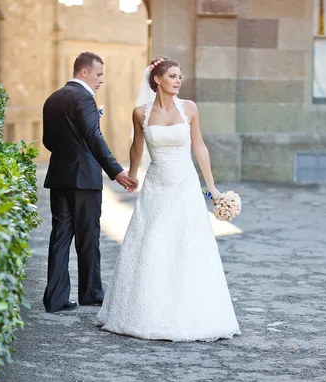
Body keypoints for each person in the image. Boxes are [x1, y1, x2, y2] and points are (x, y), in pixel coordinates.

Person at [95, 57, 241, 341]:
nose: (178, 80)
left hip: (185, 186)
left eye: (179, 76)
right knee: (153, 243)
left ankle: (193, 313)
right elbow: (137, 146)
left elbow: (199, 147)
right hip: (156, 187)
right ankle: (147, 312)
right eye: (172, 76)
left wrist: (212, 189)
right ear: (157, 79)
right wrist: (132, 175)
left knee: (188, 245)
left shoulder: (189, 109)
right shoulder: (140, 113)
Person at [42, 52, 138, 313]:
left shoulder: (53, 98)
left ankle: (55, 298)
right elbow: (93, 137)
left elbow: (47, 142)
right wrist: (116, 171)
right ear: (83, 72)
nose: (101, 81)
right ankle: (91, 292)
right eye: (98, 75)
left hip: (60, 177)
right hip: (84, 179)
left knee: (60, 237)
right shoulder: (84, 98)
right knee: (88, 237)